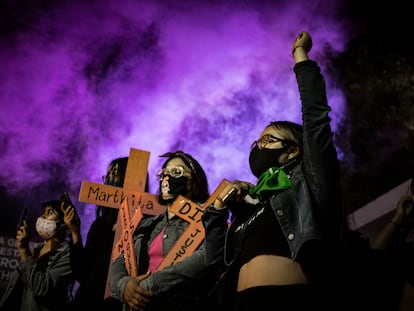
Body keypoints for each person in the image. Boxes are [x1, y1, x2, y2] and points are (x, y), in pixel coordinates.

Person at [201, 31, 343, 311]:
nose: (259, 147)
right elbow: (213, 263)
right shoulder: (251, 205)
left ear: (292, 151)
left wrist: (300, 57)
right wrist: (217, 212)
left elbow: (316, 119)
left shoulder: (307, 181)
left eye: (269, 140)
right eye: (257, 142)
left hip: (289, 299)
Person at [109, 150, 218, 311]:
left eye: (177, 172)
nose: (168, 178)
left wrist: (148, 285)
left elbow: (207, 257)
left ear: (194, 182)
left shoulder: (208, 220)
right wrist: (125, 286)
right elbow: (120, 260)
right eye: (164, 173)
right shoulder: (145, 225)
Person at [63, 157, 130, 310]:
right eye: (107, 175)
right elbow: (82, 272)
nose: (107, 181)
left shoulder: (145, 226)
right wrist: (75, 232)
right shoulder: (100, 225)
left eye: (114, 174)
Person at [0, 199, 75, 311]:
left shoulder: (68, 256)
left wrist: (24, 250)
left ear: (64, 223)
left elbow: (40, 288)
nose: (42, 217)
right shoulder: (35, 250)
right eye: (43, 212)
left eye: (49, 212)